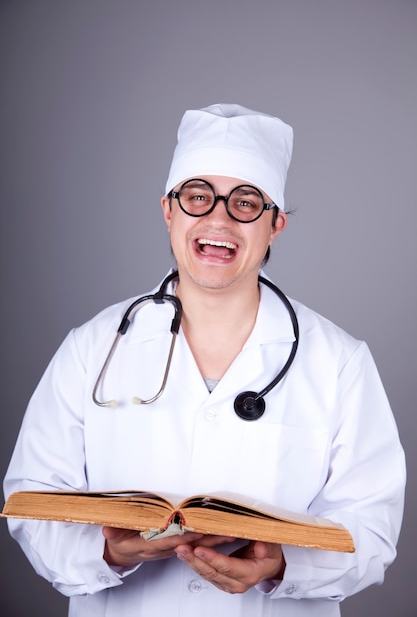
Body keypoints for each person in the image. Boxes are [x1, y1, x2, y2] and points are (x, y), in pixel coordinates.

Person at [3, 103, 405, 617]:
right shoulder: (91, 349)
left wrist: (283, 564)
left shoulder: (339, 361)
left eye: (245, 202)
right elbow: (32, 503)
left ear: (275, 225)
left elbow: (371, 530)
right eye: (197, 197)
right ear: (169, 211)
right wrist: (107, 551)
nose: (218, 219)